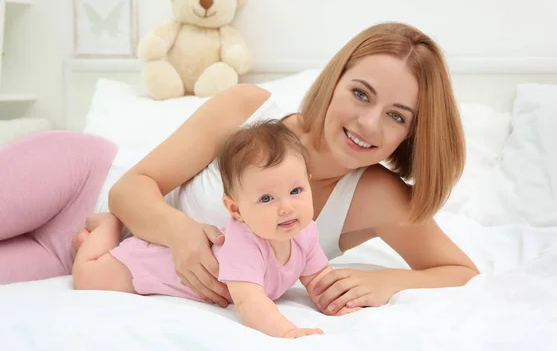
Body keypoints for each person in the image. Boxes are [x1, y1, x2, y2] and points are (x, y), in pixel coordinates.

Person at [0, 22, 479, 315]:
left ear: (411, 134)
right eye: (361, 93)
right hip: (82, 181)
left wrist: (386, 281)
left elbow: (459, 270)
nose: (368, 123)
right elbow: (131, 190)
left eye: (397, 116)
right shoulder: (249, 109)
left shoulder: (377, 195)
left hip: (84, 261)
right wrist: (182, 233)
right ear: (334, 82)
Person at [71, 121, 358, 338]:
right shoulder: (244, 241)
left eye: (296, 190)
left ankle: (98, 237)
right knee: (87, 274)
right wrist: (285, 331)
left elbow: (319, 277)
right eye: (267, 198)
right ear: (236, 210)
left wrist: (335, 303)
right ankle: (108, 225)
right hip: (151, 265)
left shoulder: (305, 232)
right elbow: (249, 301)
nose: (286, 208)